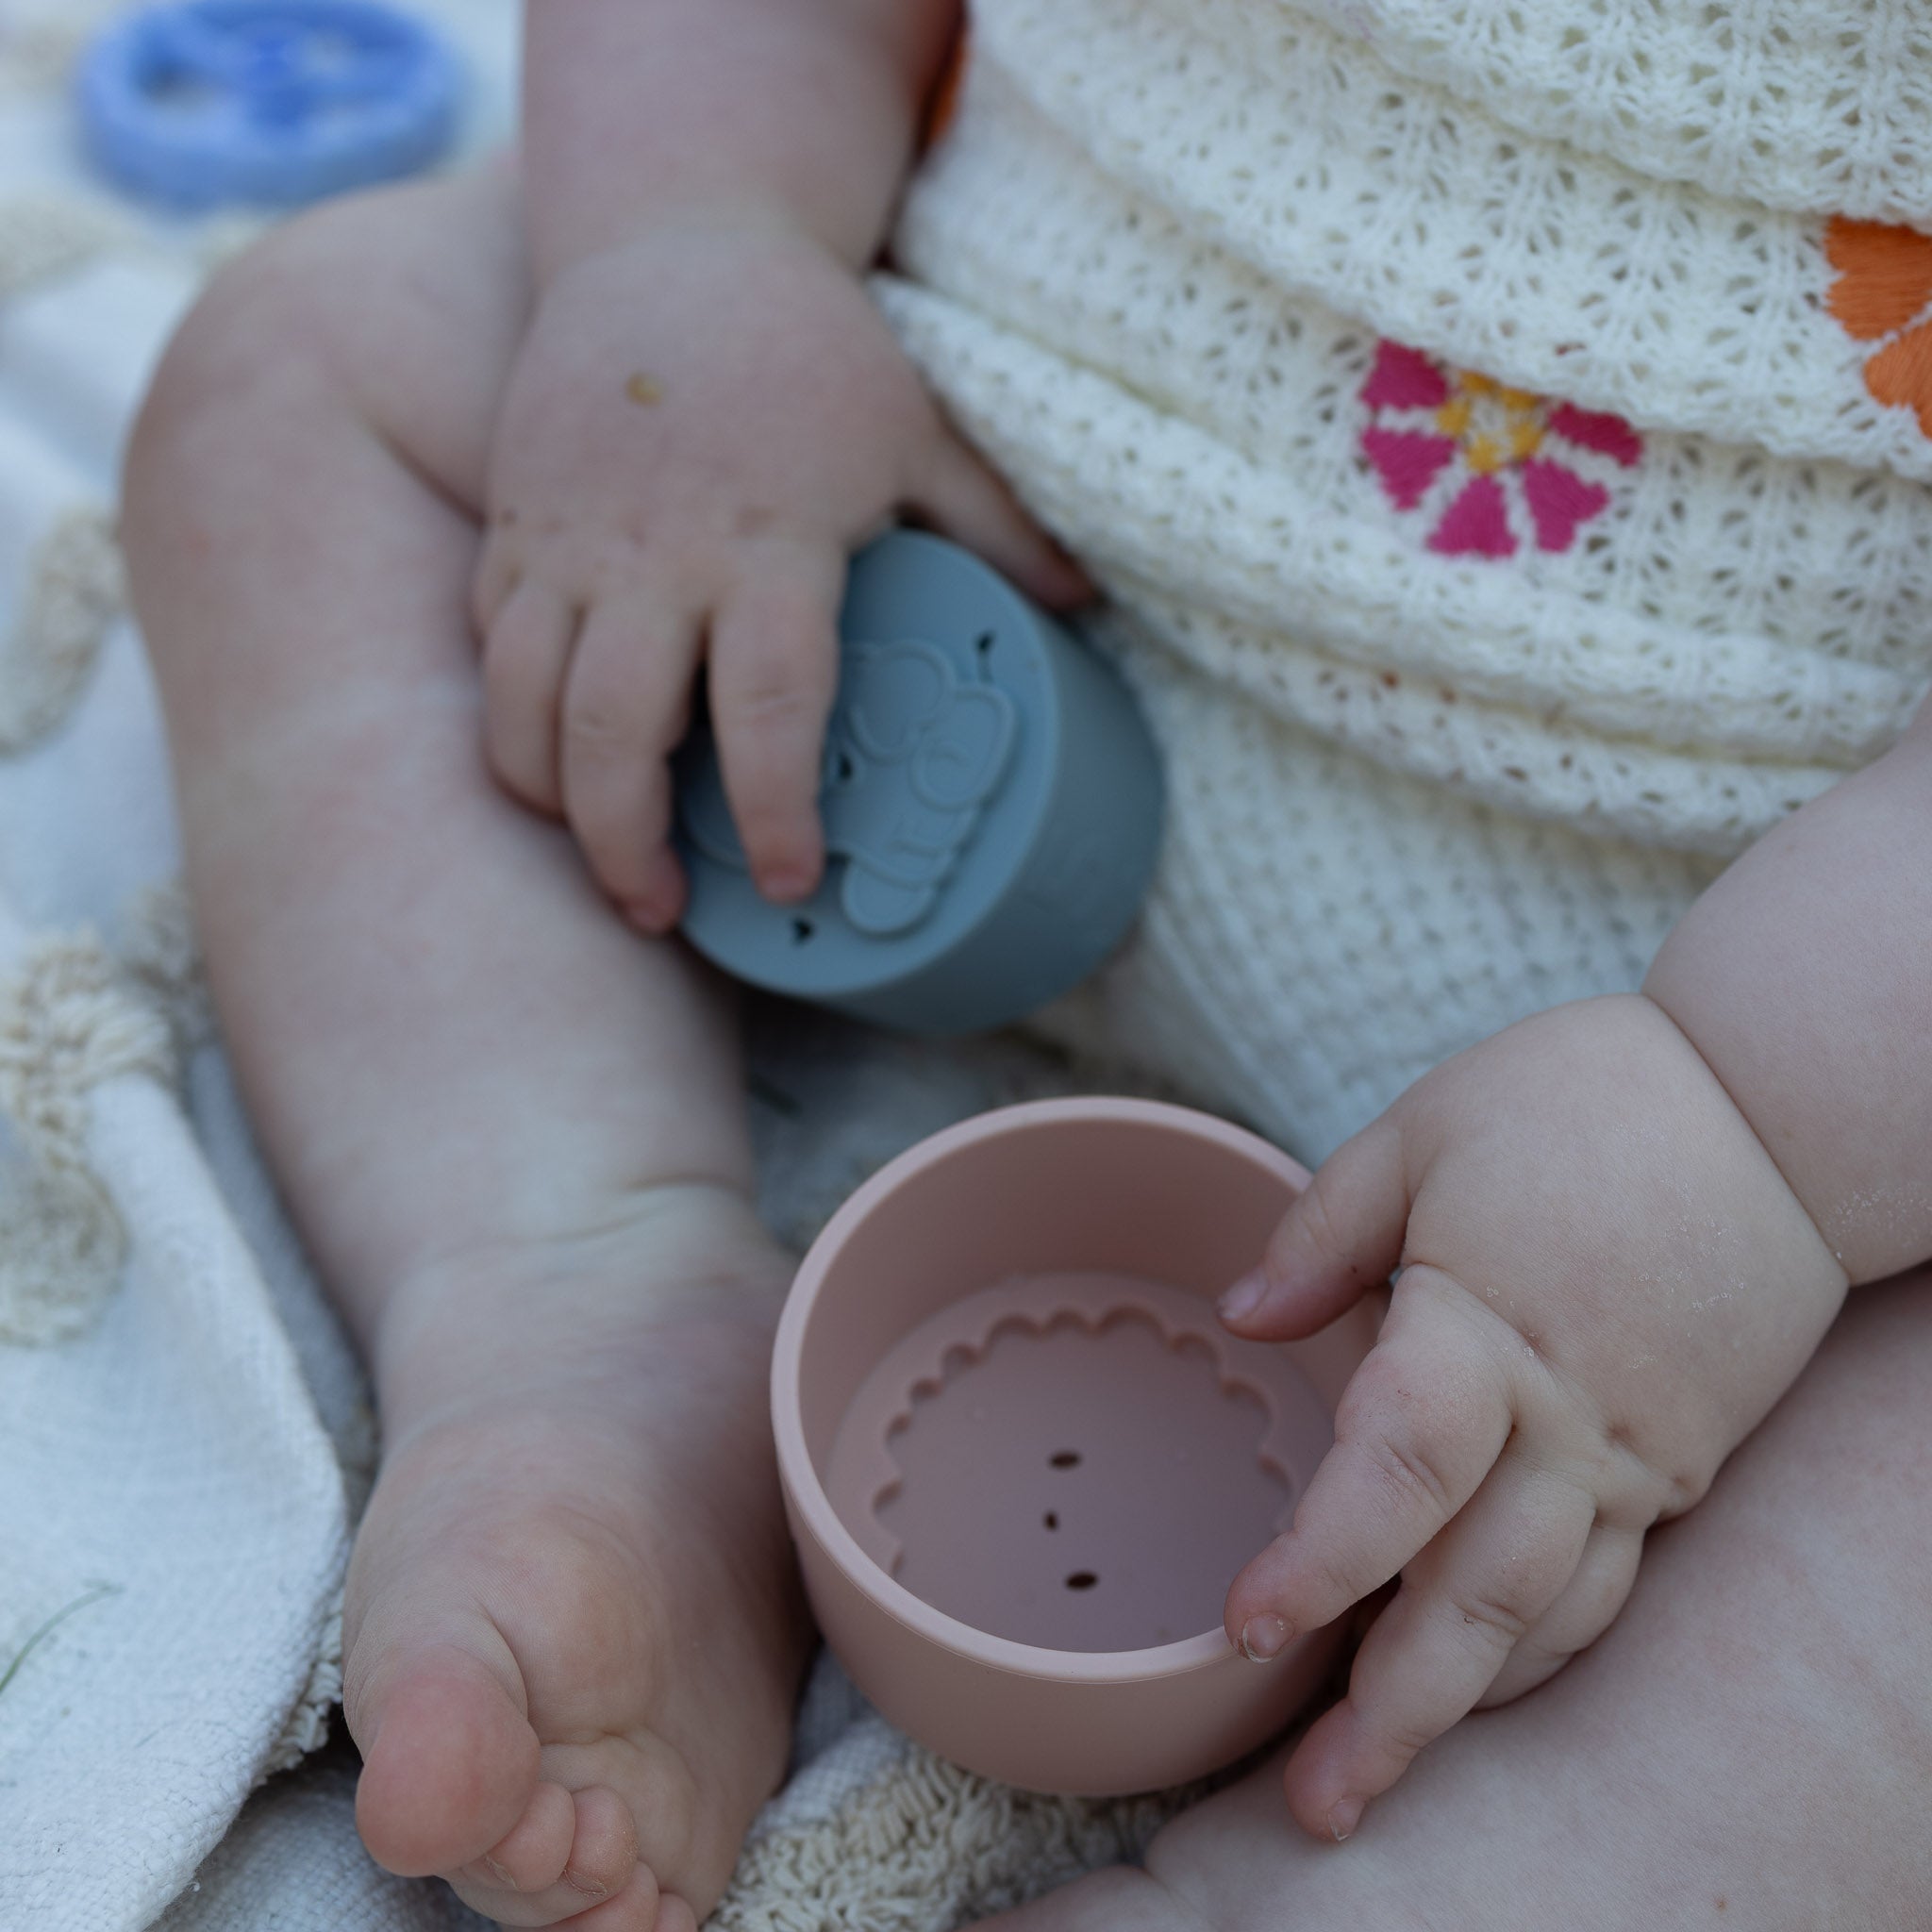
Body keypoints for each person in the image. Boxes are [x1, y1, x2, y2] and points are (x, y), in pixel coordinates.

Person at [120, 1, 1932, 1927]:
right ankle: (581, 1273)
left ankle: (1398, 1881)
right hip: (929, 568)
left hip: (1757, 1019)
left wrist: (1750, 1127)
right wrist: (697, 244)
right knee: (304, 371)